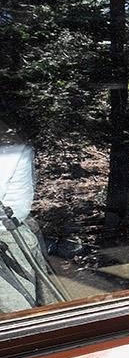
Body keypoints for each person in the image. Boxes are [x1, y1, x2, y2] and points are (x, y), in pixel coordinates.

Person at [0, 119, 64, 311]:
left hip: (8, 239)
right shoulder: (10, 140)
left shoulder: (7, 148)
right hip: (15, 232)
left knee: (17, 312)